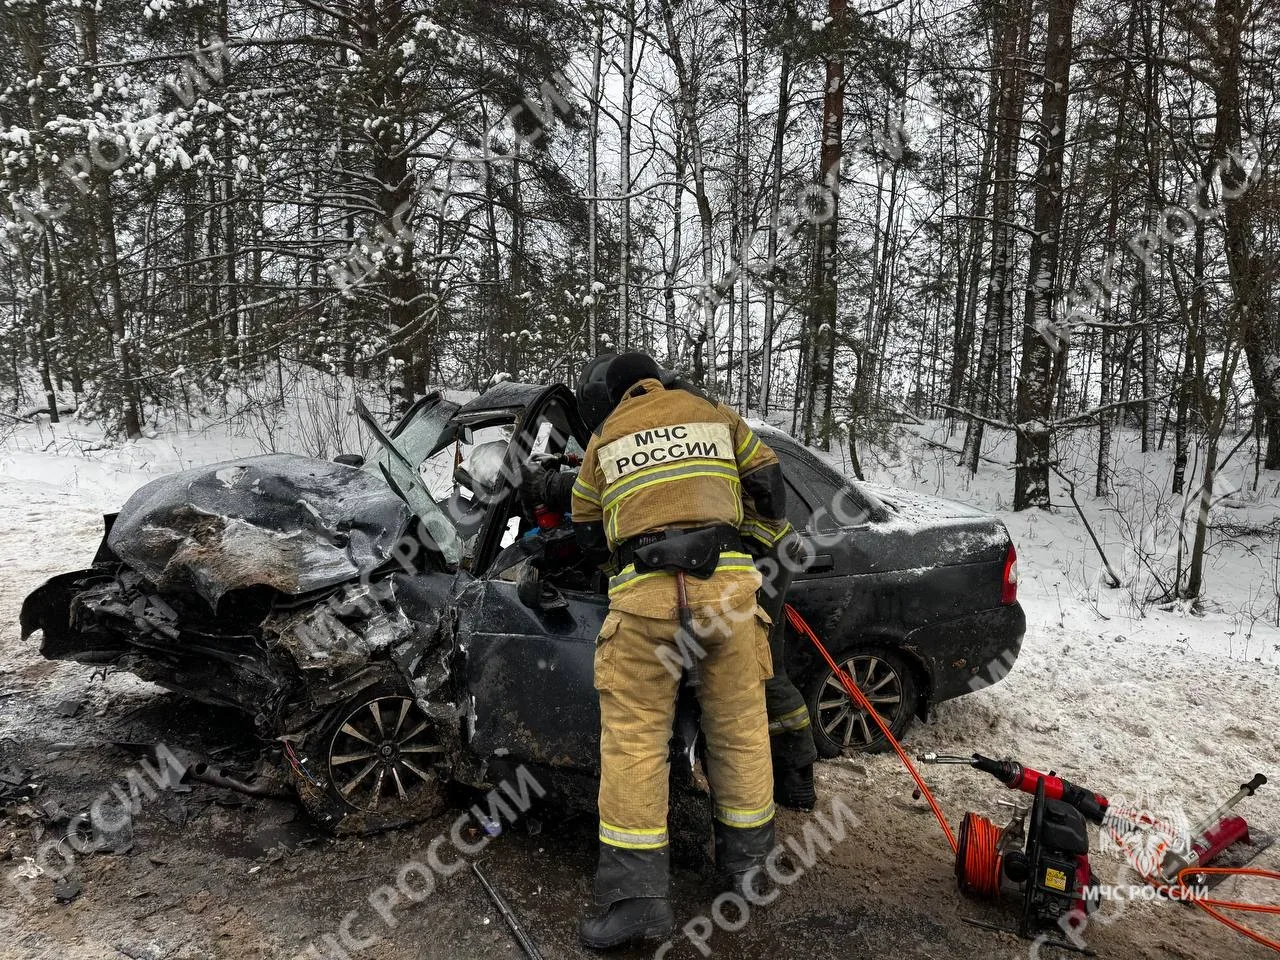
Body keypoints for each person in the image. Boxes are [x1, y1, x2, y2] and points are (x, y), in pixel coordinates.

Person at [520, 358, 818, 811]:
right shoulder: (695, 410)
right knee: (735, 688)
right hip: (737, 554)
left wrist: (552, 491)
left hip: (762, 551)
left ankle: (797, 776)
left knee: (764, 672)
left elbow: (602, 496)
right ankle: (743, 807)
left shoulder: (663, 417)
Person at [567, 352, 785, 950]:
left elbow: (584, 531)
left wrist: (620, 550)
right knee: (740, 732)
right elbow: (770, 489)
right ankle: (748, 873)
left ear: (611, 396)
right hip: (729, 601)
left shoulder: (604, 437)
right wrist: (747, 548)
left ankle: (639, 903)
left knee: (635, 741)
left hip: (646, 606)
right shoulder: (715, 414)